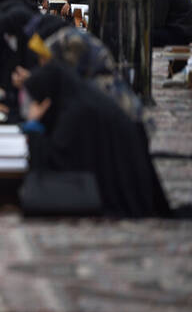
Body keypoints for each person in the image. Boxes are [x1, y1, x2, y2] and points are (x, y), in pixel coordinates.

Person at [22, 62, 170, 218]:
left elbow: (57, 160)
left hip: (123, 191)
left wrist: (33, 126)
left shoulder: (75, 112)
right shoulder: (78, 100)